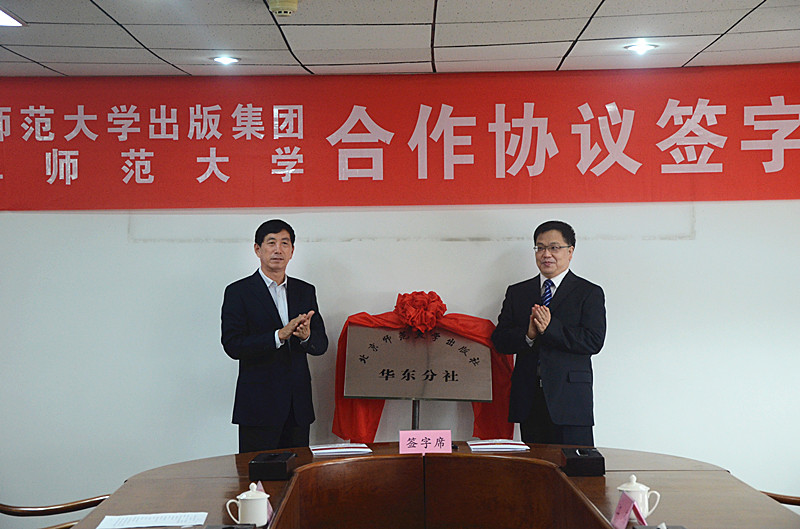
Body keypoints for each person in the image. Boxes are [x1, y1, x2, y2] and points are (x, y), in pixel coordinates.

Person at [491, 220, 605, 446]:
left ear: (570, 251)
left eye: (554, 247)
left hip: (571, 401)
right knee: (535, 465)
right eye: (540, 247)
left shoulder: (588, 292)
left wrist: (550, 328)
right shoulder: (518, 292)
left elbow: (593, 341)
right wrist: (529, 335)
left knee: (574, 465)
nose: (546, 254)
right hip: (529, 398)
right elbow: (500, 340)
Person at [221, 219, 328, 453]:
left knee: (297, 472)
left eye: (284, 243)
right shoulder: (238, 292)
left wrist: (306, 337)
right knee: (258, 474)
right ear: (257, 249)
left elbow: (321, 345)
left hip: (297, 407)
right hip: (258, 407)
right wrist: (278, 336)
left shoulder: (305, 291)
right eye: (271, 243)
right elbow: (233, 345)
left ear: (292, 251)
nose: (278, 249)